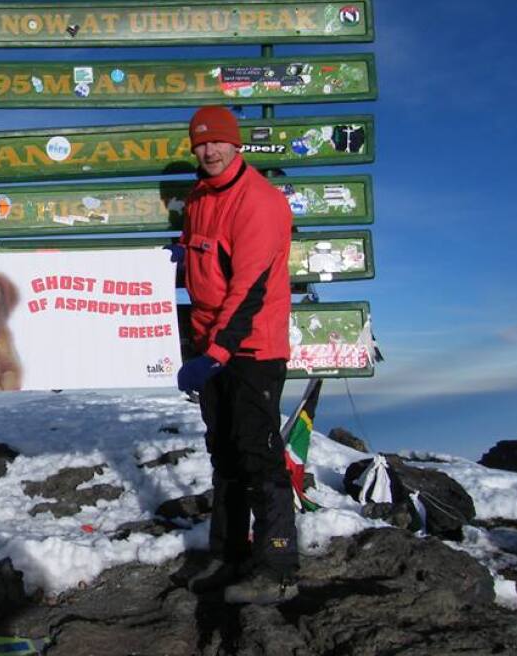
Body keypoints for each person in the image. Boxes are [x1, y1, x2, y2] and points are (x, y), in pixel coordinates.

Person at [173, 106, 297, 605]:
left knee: (258, 455)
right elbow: (202, 254)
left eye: (219, 142)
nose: (210, 151)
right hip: (213, 347)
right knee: (223, 455)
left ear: (237, 143)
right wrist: (180, 257)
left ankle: (278, 567)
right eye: (201, 144)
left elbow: (249, 291)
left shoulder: (260, 202)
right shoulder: (200, 196)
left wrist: (217, 353)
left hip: (252, 349)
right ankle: (228, 555)